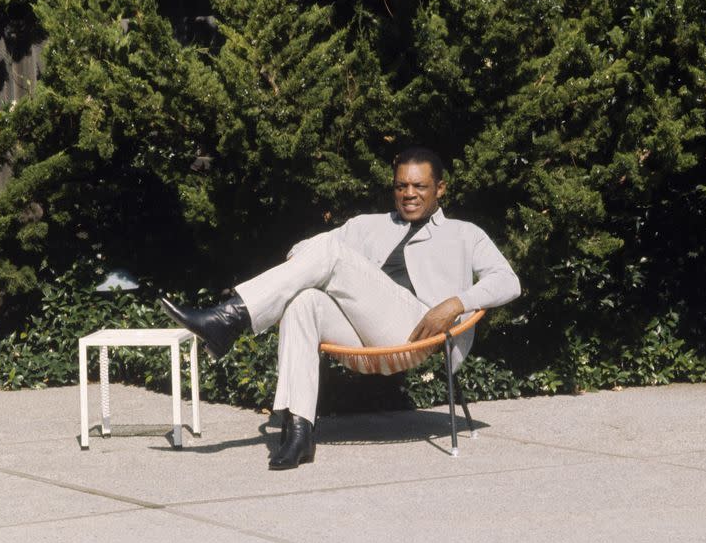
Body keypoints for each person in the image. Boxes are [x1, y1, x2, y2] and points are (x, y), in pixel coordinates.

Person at [161, 146, 520, 470]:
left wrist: (456, 302)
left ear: (440, 189)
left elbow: (508, 281)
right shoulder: (368, 226)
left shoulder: (464, 233)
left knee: (330, 254)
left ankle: (230, 317)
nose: (409, 194)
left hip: (419, 331)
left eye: (420, 187)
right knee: (304, 300)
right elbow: (302, 251)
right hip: (364, 334)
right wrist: (310, 266)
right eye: (400, 186)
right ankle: (300, 432)